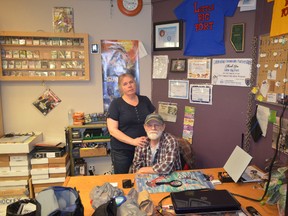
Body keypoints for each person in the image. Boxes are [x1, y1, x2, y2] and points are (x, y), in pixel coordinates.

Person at [107, 73, 155, 174]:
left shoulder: (145, 100)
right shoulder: (116, 104)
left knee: (144, 177)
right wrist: (133, 141)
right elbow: (113, 130)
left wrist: (152, 137)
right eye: (125, 84)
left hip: (144, 148)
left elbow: (154, 121)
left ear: (135, 83)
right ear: (121, 88)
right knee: (122, 179)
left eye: (131, 82)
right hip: (122, 151)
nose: (129, 85)